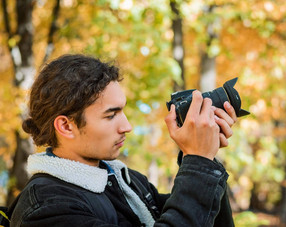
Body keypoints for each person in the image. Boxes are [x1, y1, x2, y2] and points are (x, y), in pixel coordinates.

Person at [8, 54, 237, 226]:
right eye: (111, 115)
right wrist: (198, 162)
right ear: (66, 126)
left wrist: (203, 155)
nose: (127, 126)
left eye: (123, 111)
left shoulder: (126, 182)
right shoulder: (45, 209)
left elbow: (201, 217)